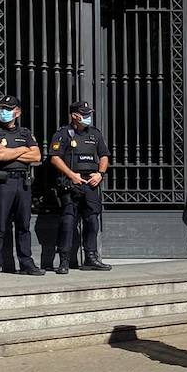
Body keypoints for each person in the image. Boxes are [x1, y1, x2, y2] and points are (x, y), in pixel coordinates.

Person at [0, 95, 43, 279]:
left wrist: (11, 153)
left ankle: (26, 263)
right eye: (1, 108)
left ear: (17, 112)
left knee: (24, 225)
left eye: (8, 108)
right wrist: (24, 150)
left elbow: (37, 156)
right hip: (2, 183)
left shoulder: (25, 132)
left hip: (23, 183)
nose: (4, 112)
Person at [48, 101, 112, 274]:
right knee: (68, 221)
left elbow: (104, 155)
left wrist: (100, 173)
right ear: (74, 116)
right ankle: (64, 260)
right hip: (71, 183)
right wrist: (71, 175)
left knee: (92, 220)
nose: (88, 116)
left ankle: (91, 257)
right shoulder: (63, 134)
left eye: (89, 113)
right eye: (84, 113)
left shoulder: (95, 134)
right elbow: (54, 158)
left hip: (91, 183)